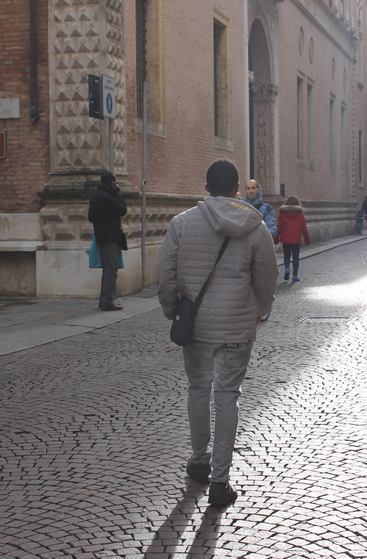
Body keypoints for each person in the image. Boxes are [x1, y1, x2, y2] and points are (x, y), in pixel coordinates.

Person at [156, 159, 278, 508]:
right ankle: (220, 481)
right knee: (228, 396)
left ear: (207, 188)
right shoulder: (255, 227)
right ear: (238, 188)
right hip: (237, 325)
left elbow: (165, 276)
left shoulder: (181, 224)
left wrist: (173, 311)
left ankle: (198, 460)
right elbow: (267, 280)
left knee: (198, 388)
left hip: (196, 325)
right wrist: (258, 311)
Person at [88, 171, 127, 311]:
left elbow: (91, 217)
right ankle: (107, 301)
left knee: (108, 269)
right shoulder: (106, 197)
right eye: (114, 182)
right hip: (109, 237)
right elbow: (122, 209)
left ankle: (105, 299)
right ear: (111, 183)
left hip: (103, 236)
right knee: (111, 270)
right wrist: (118, 194)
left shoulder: (97, 196)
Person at [274, 196, 311, 282]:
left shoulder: (282, 215)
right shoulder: (300, 215)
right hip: (296, 239)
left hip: (285, 239)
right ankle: (294, 276)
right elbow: (304, 229)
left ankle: (287, 268)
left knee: (286, 255)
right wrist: (307, 240)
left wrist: (276, 239)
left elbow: (279, 228)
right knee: (295, 257)